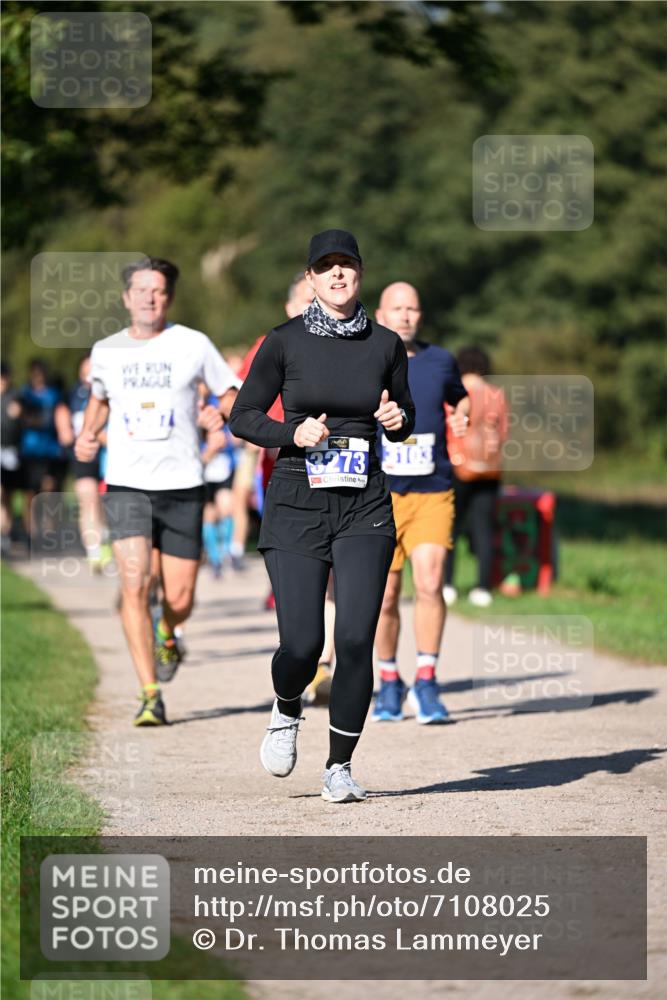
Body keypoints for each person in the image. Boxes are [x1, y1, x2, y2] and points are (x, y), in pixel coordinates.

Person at [229, 230, 415, 803]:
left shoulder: (386, 345)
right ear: (309, 278)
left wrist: (395, 418)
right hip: (295, 498)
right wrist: (293, 432)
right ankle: (286, 709)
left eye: (347, 266)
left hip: (365, 500)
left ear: (360, 275)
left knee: (357, 637)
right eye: (325, 267)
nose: (337, 275)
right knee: (304, 645)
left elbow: (406, 415)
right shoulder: (284, 342)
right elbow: (243, 416)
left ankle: (340, 766)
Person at [75, 257, 239, 726]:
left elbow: (228, 392)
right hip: (128, 484)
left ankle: (169, 631)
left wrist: (221, 414)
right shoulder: (106, 350)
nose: (150, 297)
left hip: (184, 483)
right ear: (127, 298)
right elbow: (100, 400)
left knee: (181, 595)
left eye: (159, 290)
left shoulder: (192, 344)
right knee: (134, 582)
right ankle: (150, 693)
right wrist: (89, 435)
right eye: (142, 290)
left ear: (169, 297)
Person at [372, 282, 469, 724]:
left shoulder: (441, 360)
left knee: (429, 583)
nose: (406, 315)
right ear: (380, 313)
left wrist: (464, 410)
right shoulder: (365, 355)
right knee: (386, 595)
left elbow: (458, 395)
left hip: (432, 488)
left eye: (413, 308)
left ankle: (427, 681)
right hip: (379, 494)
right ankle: (389, 682)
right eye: (397, 308)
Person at [231, 273, 314, 573]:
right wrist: (259, 433)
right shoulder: (270, 343)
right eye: (307, 301)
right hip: (278, 449)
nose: (313, 308)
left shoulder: (343, 344)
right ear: (289, 307)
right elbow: (237, 394)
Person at [444, 346, 509, 608]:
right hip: (490, 469)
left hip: (458, 468)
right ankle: (482, 587)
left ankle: (447, 584)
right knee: (484, 529)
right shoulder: (497, 394)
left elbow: (448, 428)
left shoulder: (455, 391)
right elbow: (504, 433)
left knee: (451, 528)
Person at [64, 354, 112, 572]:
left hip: (107, 455)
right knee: (88, 499)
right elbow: (63, 417)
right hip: (83, 456)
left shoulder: (110, 393)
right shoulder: (72, 394)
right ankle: (93, 550)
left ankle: (107, 543)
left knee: (107, 504)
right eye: (86, 369)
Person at [19, 359, 68, 542]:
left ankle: (49, 531)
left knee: (49, 489)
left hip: (50, 450)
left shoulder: (54, 394)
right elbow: (22, 417)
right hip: (30, 450)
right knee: (31, 493)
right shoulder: (25, 393)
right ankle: (31, 533)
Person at [1, 363, 23, 557]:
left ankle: (5, 534)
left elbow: (18, 418)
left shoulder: (14, 397)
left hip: (9, 452)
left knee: (7, 495)